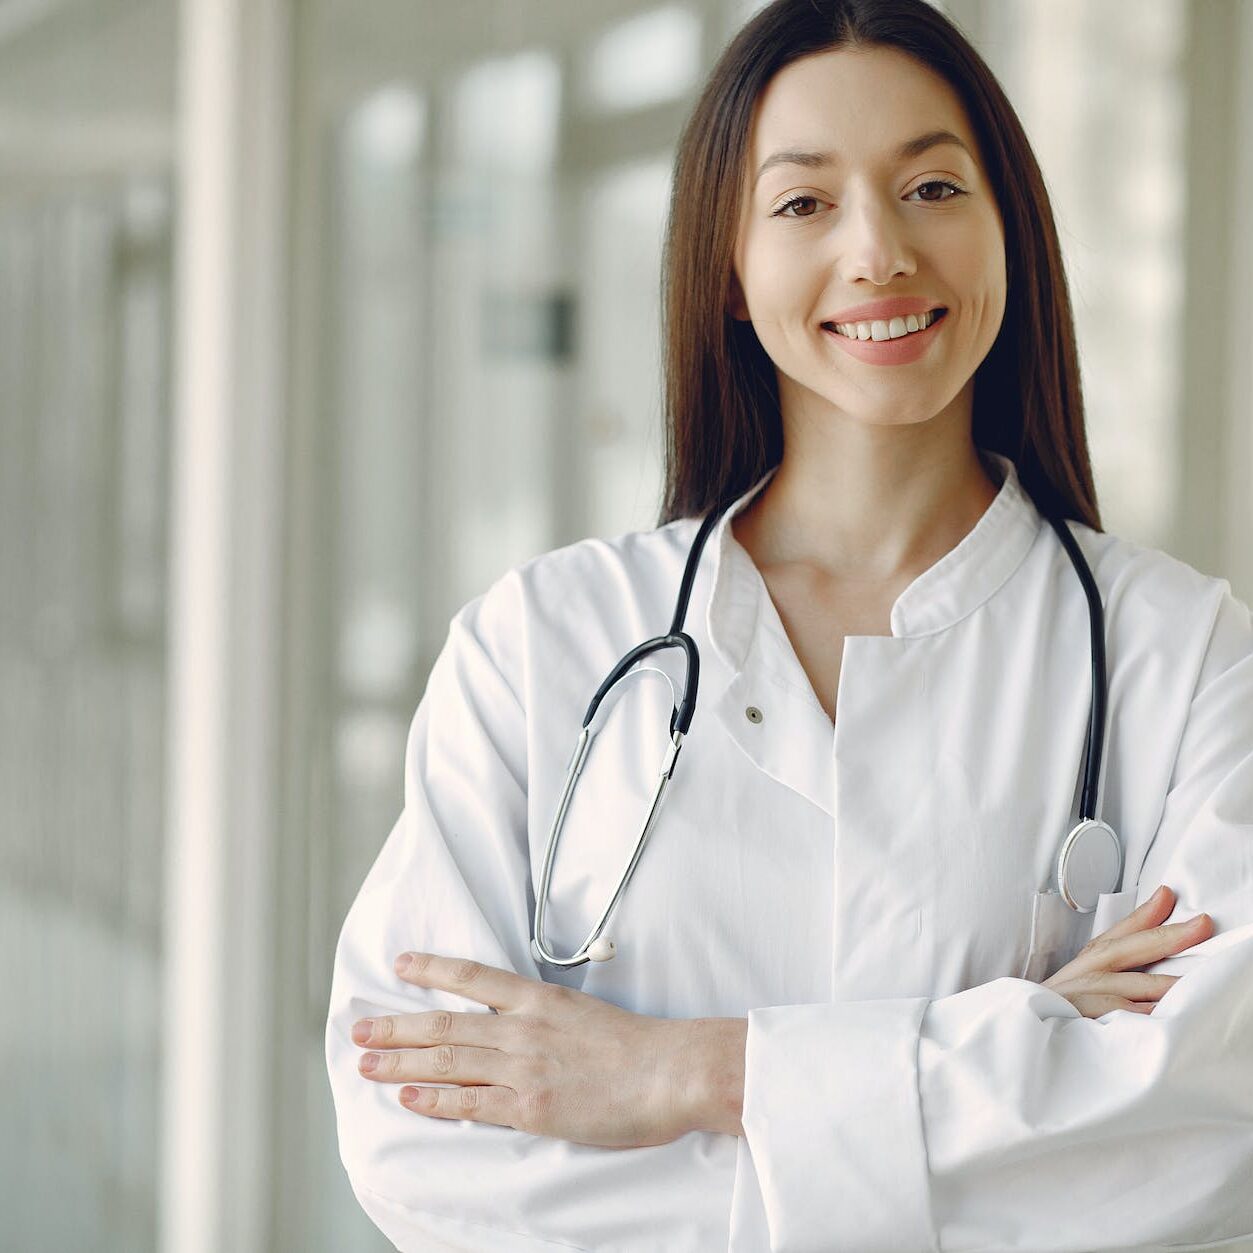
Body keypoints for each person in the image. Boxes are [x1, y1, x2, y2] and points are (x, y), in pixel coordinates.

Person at [325, 1, 1253, 1249]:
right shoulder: (541, 644)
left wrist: (684, 1075)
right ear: (727, 265)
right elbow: (422, 1140)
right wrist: (1017, 1059)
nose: (877, 252)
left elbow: (1205, 1122)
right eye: (803, 203)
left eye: (930, 186)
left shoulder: (1179, 653)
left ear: (1008, 233)